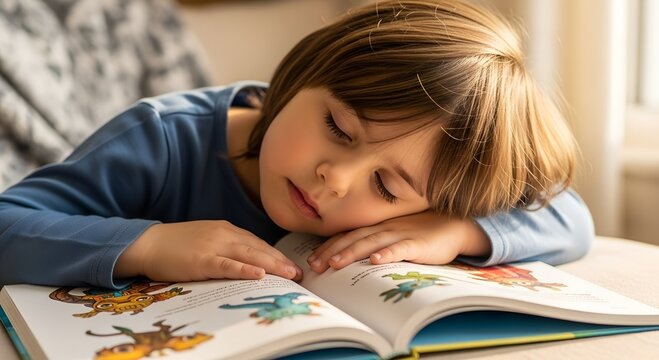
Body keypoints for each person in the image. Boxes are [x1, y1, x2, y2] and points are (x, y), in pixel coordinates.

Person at [0, 0, 594, 289]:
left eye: (386, 187)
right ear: (303, 73)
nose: (335, 179)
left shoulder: (435, 195)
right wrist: (148, 244)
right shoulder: (160, 139)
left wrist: (455, 231)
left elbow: (571, 216)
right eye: (338, 127)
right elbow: (8, 223)